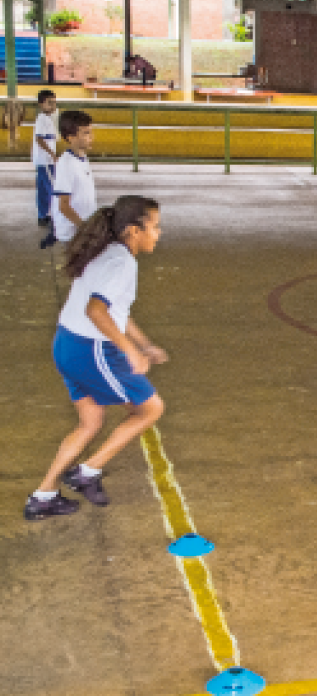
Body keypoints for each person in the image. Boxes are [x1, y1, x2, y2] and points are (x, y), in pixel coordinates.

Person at [24, 196, 167, 520]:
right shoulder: (121, 263)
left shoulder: (105, 253)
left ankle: (42, 497)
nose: (158, 233)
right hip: (91, 349)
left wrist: (143, 343)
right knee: (149, 408)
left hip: (66, 344)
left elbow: (117, 311)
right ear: (133, 230)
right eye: (155, 227)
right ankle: (86, 473)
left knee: (90, 423)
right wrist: (129, 351)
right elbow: (96, 311)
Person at [50, 110, 96, 246]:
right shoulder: (66, 164)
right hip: (72, 234)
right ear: (70, 137)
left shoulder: (82, 158)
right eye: (86, 133)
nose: (91, 136)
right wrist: (84, 228)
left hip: (82, 229)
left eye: (90, 131)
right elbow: (64, 206)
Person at [32, 89, 58, 227]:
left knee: (42, 188)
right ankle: (54, 216)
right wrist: (53, 155)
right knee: (51, 188)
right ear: (41, 104)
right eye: (49, 103)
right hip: (46, 161)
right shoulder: (42, 119)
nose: (53, 106)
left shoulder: (47, 119)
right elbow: (40, 140)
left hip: (42, 161)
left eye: (54, 103)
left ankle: (42, 215)